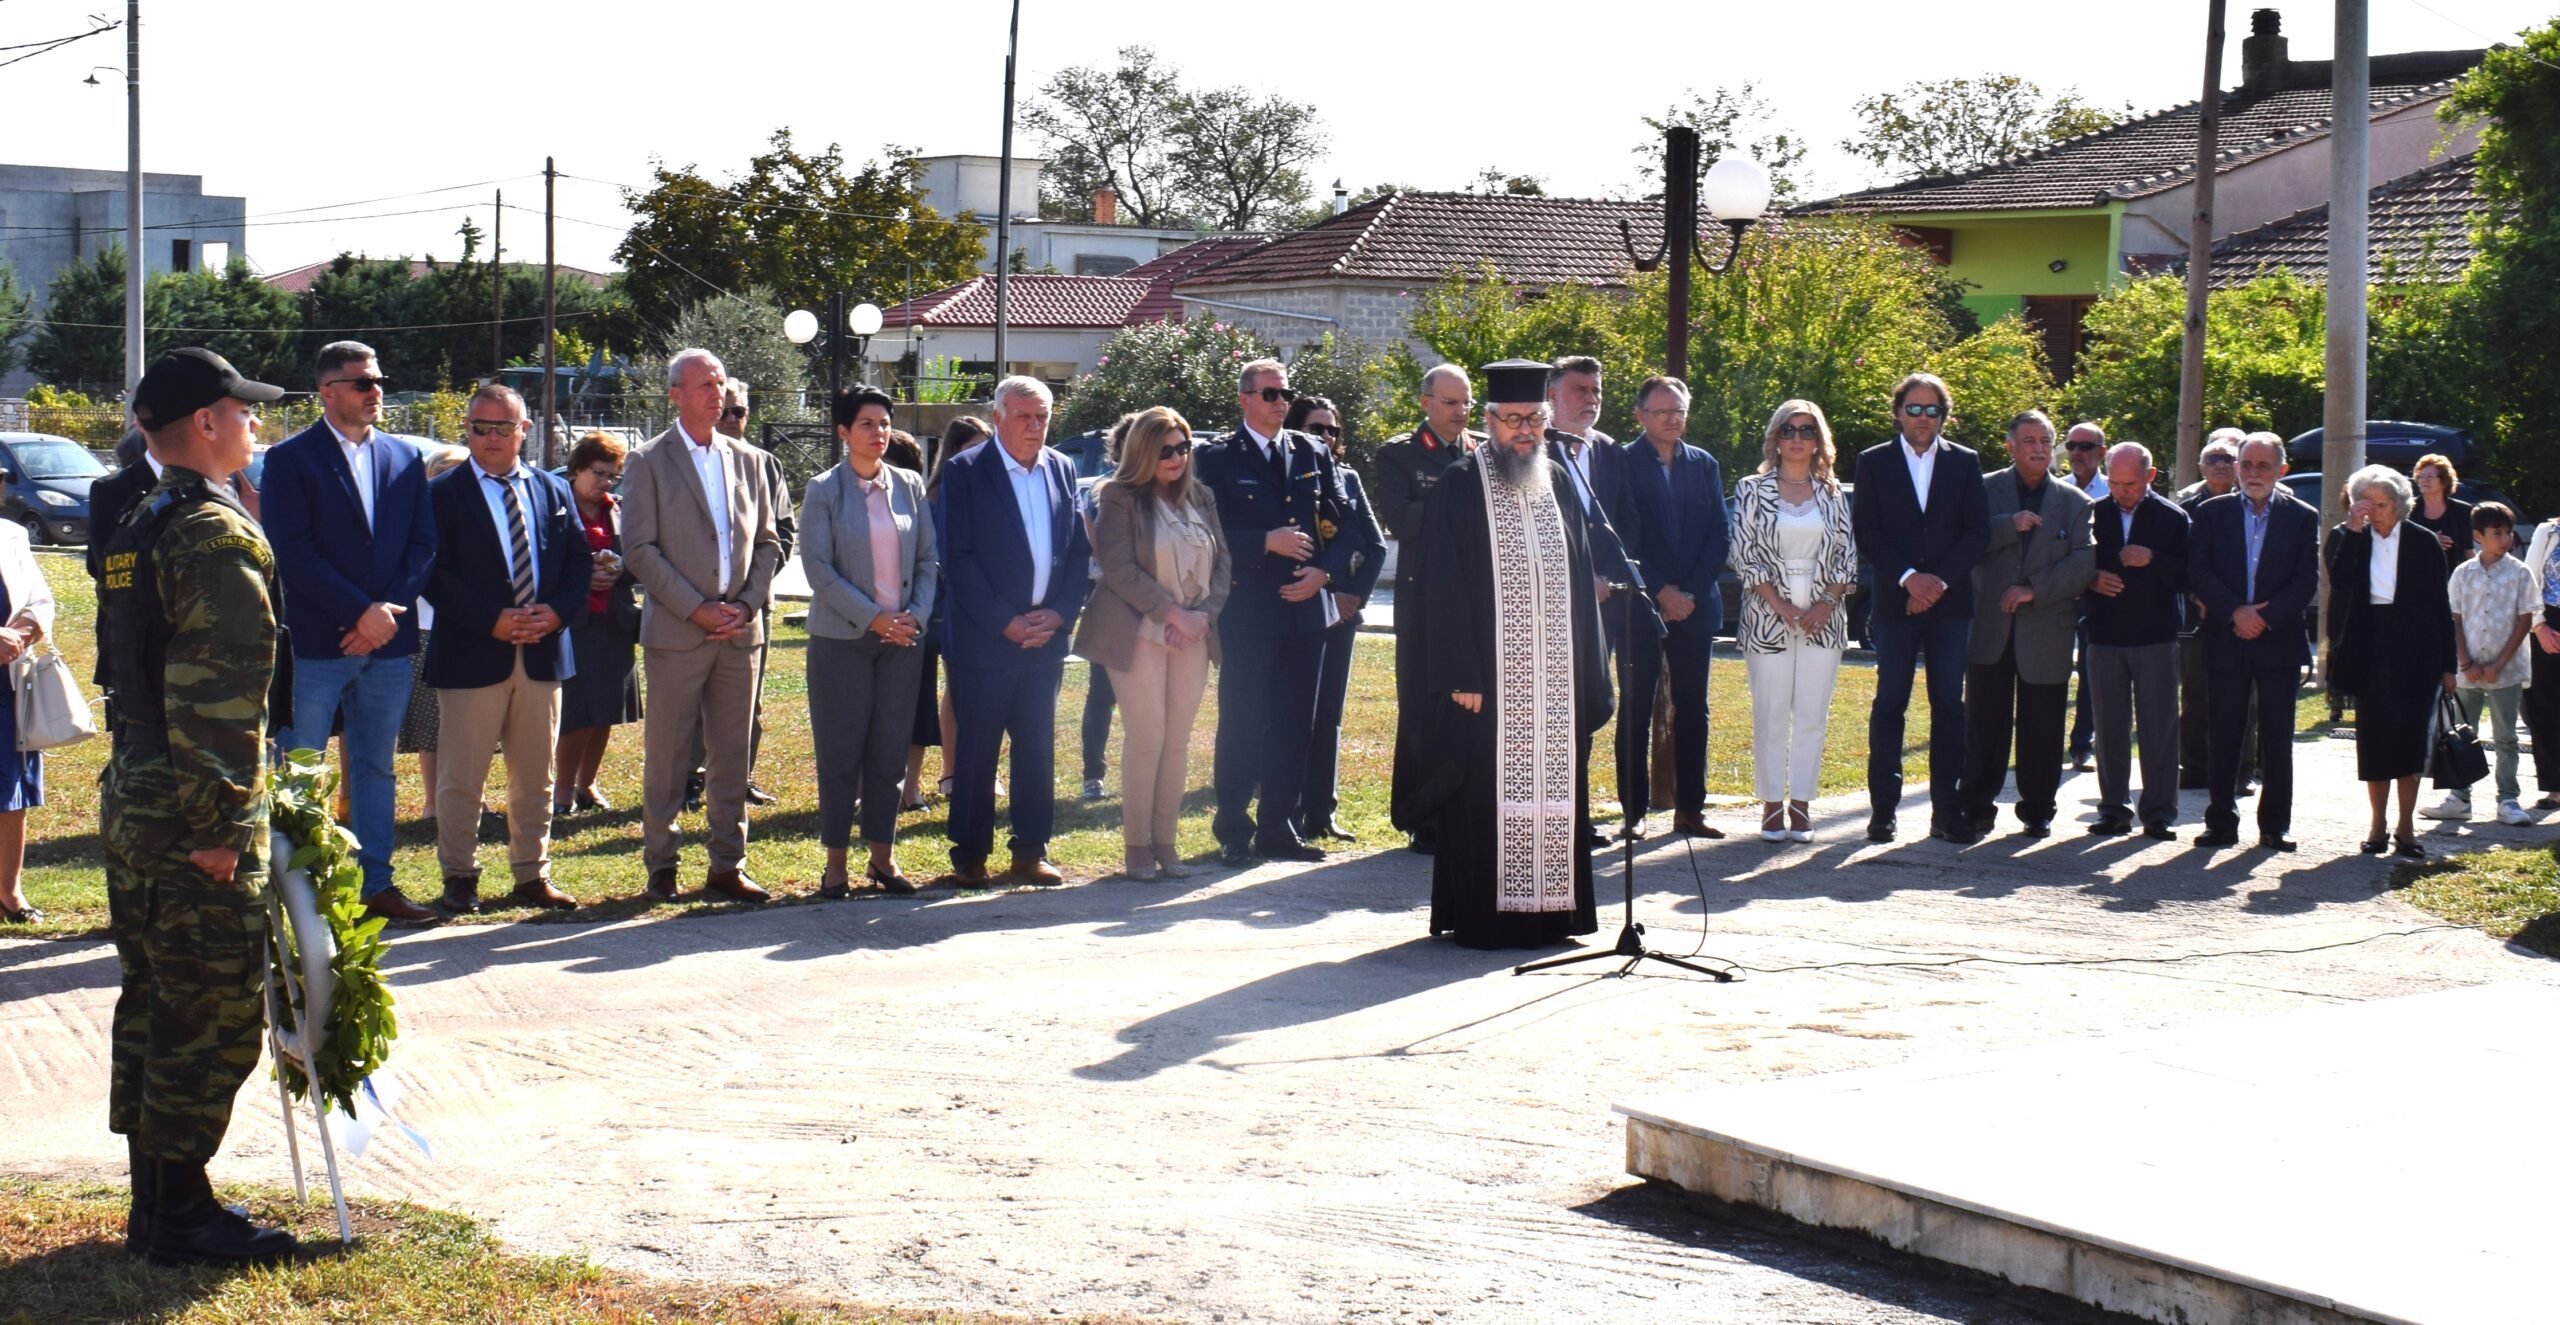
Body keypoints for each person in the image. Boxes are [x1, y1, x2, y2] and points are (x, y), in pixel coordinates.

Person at [100, 347, 295, 1266]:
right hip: (190, 805)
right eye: (243, 410)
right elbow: (215, 694)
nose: (256, 423)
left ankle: (161, 1203)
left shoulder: (145, 517)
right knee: (209, 1008)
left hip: (139, 784)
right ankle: (179, 1216)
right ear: (207, 423)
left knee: (156, 992)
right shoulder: (214, 534)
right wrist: (221, 831)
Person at [1411, 361, 1608, 948]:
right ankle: (1485, 917)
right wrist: (1460, 671)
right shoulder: (1459, 485)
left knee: (1554, 794)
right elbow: (1442, 587)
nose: (1525, 430)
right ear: (1491, 421)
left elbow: (1578, 581)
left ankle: (1553, 915)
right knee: (1484, 796)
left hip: (1553, 679)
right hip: (1489, 680)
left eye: (1535, 420)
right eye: (1513, 420)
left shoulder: (1559, 482)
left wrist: (1587, 671)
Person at [260, 340, 440, 926]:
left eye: (378, 380)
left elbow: (423, 545)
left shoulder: (404, 456)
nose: (375, 390)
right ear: (327, 390)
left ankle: (375, 885)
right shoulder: (291, 459)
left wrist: (384, 612)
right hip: (319, 641)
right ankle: (303, 895)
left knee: (376, 766)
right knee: (301, 769)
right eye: (362, 382)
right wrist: (356, 612)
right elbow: (293, 551)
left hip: (387, 642)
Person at [623, 348, 785, 903]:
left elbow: (770, 542)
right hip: (677, 630)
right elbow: (639, 548)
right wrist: (695, 607)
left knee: (732, 753)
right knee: (667, 754)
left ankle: (727, 864)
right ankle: (662, 865)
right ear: (675, 394)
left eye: (721, 383)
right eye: (704, 384)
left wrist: (744, 605)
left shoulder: (751, 461)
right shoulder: (647, 461)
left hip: (740, 632)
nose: (718, 393)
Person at [422, 386, 588, 914]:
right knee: (462, 775)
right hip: (473, 653)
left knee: (535, 774)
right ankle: (460, 876)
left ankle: (531, 875)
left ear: (524, 430)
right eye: (480, 427)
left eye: (503, 427)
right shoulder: (441, 495)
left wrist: (558, 612)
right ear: (466, 430)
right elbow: (433, 574)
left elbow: (578, 563)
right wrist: (489, 620)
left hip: (542, 653)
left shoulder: (553, 491)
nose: (491, 438)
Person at [1195, 358, 1360, 866]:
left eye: (1285, 394)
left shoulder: (1311, 450)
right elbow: (1205, 534)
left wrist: (1324, 574)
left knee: (1295, 722)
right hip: (1249, 610)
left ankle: (1278, 827)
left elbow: (1344, 519)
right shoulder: (1218, 458)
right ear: (1244, 399)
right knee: (1243, 720)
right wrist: (1265, 541)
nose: (1281, 402)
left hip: (1305, 608)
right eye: (1269, 394)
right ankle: (1233, 829)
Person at [935, 376, 1091, 885]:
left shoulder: (1063, 469)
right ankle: (971, 857)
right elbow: (958, 559)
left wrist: (1061, 612)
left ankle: (1030, 851)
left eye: (1043, 416)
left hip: (1044, 641)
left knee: (1037, 748)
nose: (1034, 426)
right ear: (998, 417)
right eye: (1024, 416)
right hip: (985, 640)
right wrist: (1005, 620)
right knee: (977, 751)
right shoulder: (965, 472)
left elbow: (1077, 553)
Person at [1072, 407, 1232, 878]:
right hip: (1138, 630)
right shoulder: (1119, 496)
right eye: (1166, 450)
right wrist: (1172, 613)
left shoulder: (1201, 495)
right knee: (1148, 738)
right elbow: (1119, 568)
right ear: (1143, 451)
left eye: (1184, 447)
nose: (1178, 457)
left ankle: (1167, 843)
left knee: (1178, 743)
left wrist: (1201, 617)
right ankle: (1136, 846)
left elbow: (1223, 564)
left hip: (1193, 633)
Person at [799, 386, 939, 894]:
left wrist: (914, 618)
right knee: (841, 754)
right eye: (866, 424)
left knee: (888, 752)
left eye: (884, 423)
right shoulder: (823, 490)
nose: (878, 433)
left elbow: (927, 561)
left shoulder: (910, 485)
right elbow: (818, 569)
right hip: (842, 641)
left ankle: (883, 858)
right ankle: (835, 865)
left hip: (903, 642)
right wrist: (875, 618)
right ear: (843, 432)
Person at [1850, 372, 1988, 844]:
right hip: (1895, 603)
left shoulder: (1965, 462)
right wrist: (1910, 578)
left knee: (1949, 706)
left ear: (1943, 416)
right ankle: (1883, 811)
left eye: (1933, 410)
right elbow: (1867, 532)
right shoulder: (1873, 462)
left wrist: (1937, 582)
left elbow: (1978, 533)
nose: (1923, 418)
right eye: (1914, 408)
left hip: (1950, 606)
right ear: (1898, 412)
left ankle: (1946, 811)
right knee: (1891, 702)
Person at [1545, 356, 1664, 846]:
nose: (1591, 400)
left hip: (1609, 599)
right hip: (1554, 601)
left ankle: (1589, 816)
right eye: (1579, 390)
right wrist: (1579, 578)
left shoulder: (1611, 451)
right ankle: (1560, 817)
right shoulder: (1532, 445)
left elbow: (1628, 522)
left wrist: (1609, 576)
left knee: (1598, 702)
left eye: (1596, 391)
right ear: (1551, 394)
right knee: (1562, 711)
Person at [1959, 410, 2094, 839]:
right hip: (1989, 629)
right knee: (1984, 723)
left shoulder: (2075, 502)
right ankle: (1977, 805)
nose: (2038, 448)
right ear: (2010, 447)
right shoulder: (1983, 491)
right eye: (2029, 440)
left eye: (2044, 441)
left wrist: (2034, 589)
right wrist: (2007, 526)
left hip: (2046, 630)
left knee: (2043, 726)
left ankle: (2037, 808)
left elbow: (2084, 562)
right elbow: (1965, 540)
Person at [1730, 399, 1860, 842]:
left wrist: (1824, 603)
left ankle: (1801, 805)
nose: (1798, 439)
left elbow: (1847, 557)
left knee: (1811, 714)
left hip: (1824, 613)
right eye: (1789, 430)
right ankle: (1770, 806)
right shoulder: (1752, 488)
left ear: (1819, 440)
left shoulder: (1832, 491)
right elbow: (1743, 555)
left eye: (1807, 431)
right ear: (1776, 438)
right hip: (1768, 612)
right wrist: (1782, 606)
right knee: (1771, 711)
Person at [2187, 434, 2320, 850]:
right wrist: (2235, 612)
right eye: (2247, 465)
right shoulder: (2211, 512)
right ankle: (2220, 821)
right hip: (2226, 638)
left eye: (2263, 466)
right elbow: (2198, 570)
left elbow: (2305, 581)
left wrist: (2262, 617)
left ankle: (2275, 825)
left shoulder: (2301, 516)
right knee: (2224, 732)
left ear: (2282, 470)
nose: (2253, 474)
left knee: (2277, 736)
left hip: (2277, 641)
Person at [1371, 364, 1479, 851]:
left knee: (1467, 709)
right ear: (1425, 403)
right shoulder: (1399, 454)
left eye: (1467, 403)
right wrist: (1459, 507)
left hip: (1472, 600)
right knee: (1421, 706)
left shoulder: (1483, 452)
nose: (1461, 413)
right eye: (1451, 403)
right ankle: (1422, 814)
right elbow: (1399, 518)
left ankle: (1465, 805)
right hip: (1423, 600)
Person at [2326, 465, 2457, 857]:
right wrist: (2353, 527)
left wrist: (2448, 665)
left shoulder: (2423, 541)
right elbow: (2341, 580)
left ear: (2400, 505)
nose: (2375, 512)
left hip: (2416, 651)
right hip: (2369, 648)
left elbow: (2440, 605)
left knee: (2410, 742)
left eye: (2382, 505)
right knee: (2374, 741)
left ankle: (2405, 827)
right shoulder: (2348, 536)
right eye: (2367, 504)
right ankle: (2377, 824)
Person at [1619, 376, 1726, 839]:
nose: (1672, 419)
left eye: (1679, 410)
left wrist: (1690, 594)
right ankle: (1634, 811)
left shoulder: (1703, 464)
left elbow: (1718, 535)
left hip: (1695, 608)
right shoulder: (1621, 462)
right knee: (1636, 706)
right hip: (1641, 606)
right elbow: (1625, 534)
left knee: (1692, 708)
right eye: (1662, 412)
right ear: (1641, 415)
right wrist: (1661, 590)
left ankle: (1690, 810)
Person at [683, 377, 792, 811]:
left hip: (750, 608)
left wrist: (748, 596)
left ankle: (738, 778)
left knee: (749, 700)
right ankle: (688, 781)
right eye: (723, 409)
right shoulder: (680, 460)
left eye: (738, 412)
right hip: (693, 608)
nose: (729, 418)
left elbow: (781, 533)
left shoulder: (765, 464)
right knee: (693, 700)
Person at [1284, 393, 1385, 843]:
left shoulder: (1347, 478)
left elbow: (1375, 544)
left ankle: (1322, 812)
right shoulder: (1283, 476)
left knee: (1329, 716)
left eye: (1332, 429)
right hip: (1295, 611)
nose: (1325, 436)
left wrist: (1352, 596)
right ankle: (1287, 810)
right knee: (1291, 715)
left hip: (1340, 615)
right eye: (1315, 428)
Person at [2081, 442, 2189, 839]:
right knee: (2109, 726)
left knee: (2158, 726)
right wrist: (2091, 579)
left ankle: (2159, 812)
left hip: (2154, 637)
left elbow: (2188, 575)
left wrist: (2153, 559)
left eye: (2130, 483)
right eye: (2114, 482)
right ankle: (2113, 809)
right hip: (2105, 634)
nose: (2121, 491)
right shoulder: (2093, 515)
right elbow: (2073, 565)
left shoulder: (2172, 518)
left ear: (2150, 476)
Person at [2425, 502, 2537, 826]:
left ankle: (2509, 799)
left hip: (2508, 670)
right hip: (2468, 669)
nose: (2505, 539)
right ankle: (2459, 797)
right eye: (2497, 533)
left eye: (2508, 533)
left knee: (2506, 737)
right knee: (2462, 733)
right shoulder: (2463, 573)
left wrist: (2500, 663)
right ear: (2478, 536)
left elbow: (2524, 619)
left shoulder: (2520, 572)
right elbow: (2455, 618)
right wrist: (2464, 660)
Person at [553, 432, 642, 817]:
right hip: (573, 623)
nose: (605, 483)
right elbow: (543, 559)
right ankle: (561, 790)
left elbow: (640, 556)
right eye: (599, 474)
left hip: (614, 622)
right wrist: (581, 576)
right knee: (576, 712)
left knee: (606, 708)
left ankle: (587, 783)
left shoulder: (620, 510)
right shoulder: (555, 506)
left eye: (612, 476)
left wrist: (619, 572)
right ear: (577, 469)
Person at [904, 415, 990, 809]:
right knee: (917, 702)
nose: (982, 457)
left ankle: (958, 773)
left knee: (965, 693)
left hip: (974, 610)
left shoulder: (992, 493)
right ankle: (911, 785)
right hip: (931, 610)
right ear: (953, 452)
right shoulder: (932, 497)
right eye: (973, 448)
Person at [393, 446, 476, 828]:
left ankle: (470, 798)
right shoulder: (418, 519)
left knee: (470, 722)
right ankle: (432, 800)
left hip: (470, 628)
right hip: (427, 628)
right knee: (432, 725)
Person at [2175, 432, 2247, 792]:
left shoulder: (2253, 502)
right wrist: (2196, 595)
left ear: (2239, 466)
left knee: (2242, 695)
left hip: (2243, 613)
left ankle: (2240, 771)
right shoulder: (2184, 505)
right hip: (2197, 613)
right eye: (2213, 459)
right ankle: (2194, 767)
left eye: (2228, 459)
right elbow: (2179, 559)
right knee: (2195, 694)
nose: (2220, 465)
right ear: (2200, 466)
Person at [0, 516, 56, 924]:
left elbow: (40, 598)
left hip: (7, 682)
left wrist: (28, 627)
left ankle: (8, 894)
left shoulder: (11, 534)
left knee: (10, 788)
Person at [1075, 417, 1133, 803]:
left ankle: (1142, 773)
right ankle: (1093, 775)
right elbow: (1097, 556)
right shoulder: (1101, 492)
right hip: (1110, 603)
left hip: (1155, 609)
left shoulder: (1168, 494)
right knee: (1103, 694)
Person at [2060, 420, 2110, 769]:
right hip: (2059, 596)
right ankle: (2045, 742)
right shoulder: (2056, 490)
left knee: (2093, 673)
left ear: (2101, 453)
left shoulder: (2114, 490)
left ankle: (2083, 744)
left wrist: (2091, 578)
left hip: (2099, 598)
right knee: (2051, 671)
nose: (2078, 453)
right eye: (2072, 445)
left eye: (2086, 447)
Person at [2523, 514, 2560, 811]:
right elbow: (2530, 580)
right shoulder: (2547, 531)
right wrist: (2539, 625)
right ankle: (2554, 787)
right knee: (2543, 706)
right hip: (2547, 625)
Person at [2406, 452, 2476, 576]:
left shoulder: (2462, 510)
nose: (2424, 480)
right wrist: (2431, 541)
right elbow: (2401, 547)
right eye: (2421, 476)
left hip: (2453, 578)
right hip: (2416, 576)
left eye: (2430, 476)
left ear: (2444, 481)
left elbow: (2468, 551)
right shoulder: (2408, 510)